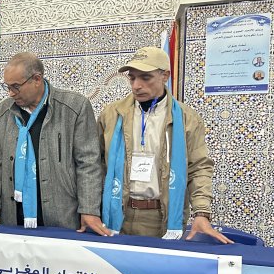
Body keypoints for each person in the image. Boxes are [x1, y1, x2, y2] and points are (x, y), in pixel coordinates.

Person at [99, 46, 232, 243]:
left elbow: (199, 167)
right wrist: (89, 210)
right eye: (132, 78)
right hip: (116, 212)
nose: (136, 85)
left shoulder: (186, 118)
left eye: (145, 78)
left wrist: (202, 213)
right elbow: (96, 165)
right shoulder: (111, 115)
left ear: (165, 76)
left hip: (161, 217)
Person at [0, 52, 109, 235]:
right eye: (7, 87)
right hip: (15, 217)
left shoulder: (74, 107)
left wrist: (89, 209)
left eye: (16, 87)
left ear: (37, 79)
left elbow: (88, 162)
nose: (11, 93)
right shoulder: (1, 114)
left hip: (63, 216)